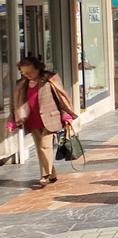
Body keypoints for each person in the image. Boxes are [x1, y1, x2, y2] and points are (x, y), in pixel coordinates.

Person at [13, 56, 76, 188]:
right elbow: (17, 103)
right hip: (33, 121)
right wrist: (14, 120)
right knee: (40, 149)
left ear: (37, 68)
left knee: (45, 146)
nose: (27, 75)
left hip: (50, 119)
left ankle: (45, 175)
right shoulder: (22, 84)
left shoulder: (50, 80)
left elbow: (61, 99)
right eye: (23, 73)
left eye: (29, 72)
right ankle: (52, 174)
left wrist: (66, 116)